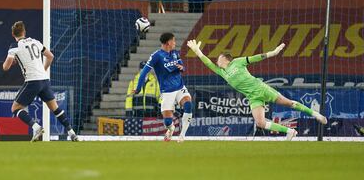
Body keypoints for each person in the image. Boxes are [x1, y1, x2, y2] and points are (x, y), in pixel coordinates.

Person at [187, 39, 327, 140]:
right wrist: (198, 51)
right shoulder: (222, 72)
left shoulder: (237, 62)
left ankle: (315, 114)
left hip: (261, 88)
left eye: (219, 58)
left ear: (226, 59)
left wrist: (272, 53)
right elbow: (208, 63)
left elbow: (255, 58)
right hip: (253, 97)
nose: (217, 61)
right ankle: (290, 131)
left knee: (289, 103)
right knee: (260, 122)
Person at [2, 21, 78, 142]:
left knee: (15, 108)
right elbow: (50, 56)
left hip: (32, 80)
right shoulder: (35, 42)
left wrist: (12, 60)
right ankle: (72, 133)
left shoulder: (14, 47)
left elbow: (5, 67)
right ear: (24, 32)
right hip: (44, 79)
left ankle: (36, 127)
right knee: (55, 108)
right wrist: (43, 69)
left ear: (13, 34)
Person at [134, 33, 192, 142]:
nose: (175, 43)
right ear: (168, 43)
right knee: (168, 122)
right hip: (167, 91)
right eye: (173, 41)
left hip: (180, 87)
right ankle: (170, 129)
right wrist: (138, 88)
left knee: (188, 105)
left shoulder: (175, 53)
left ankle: (182, 136)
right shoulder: (156, 56)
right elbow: (144, 73)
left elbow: (182, 66)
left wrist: (181, 67)